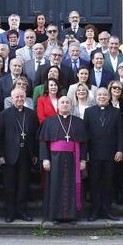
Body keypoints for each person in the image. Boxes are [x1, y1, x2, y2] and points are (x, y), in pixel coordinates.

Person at [39, 96, 88, 224]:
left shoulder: (78, 122)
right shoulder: (49, 122)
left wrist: (83, 159)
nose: (65, 104)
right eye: (62, 102)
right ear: (58, 106)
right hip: (55, 160)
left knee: (72, 186)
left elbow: (83, 143)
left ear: (71, 105)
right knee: (55, 186)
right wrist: (45, 159)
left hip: (73, 159)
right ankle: (56, 216)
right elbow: (43, 142)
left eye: (67, 102)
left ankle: (72, 216)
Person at [0, 88, 39, 223]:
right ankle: (10, 213)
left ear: (25, 98)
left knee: (23, 185)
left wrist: (35, 153)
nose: (19, 99)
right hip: (9, 155)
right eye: (17, 97)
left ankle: (22, 211)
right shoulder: (4, 114)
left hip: (25, 155)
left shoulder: (31, 114)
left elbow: (35, 136)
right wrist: (0, 155)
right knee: (9, 186)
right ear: (12, 98)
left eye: (22, 97)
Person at [83, 88, 123, 221]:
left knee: (108, 182)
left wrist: (120, 150)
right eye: (99, 94)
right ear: (95, 97)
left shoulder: (116, 112)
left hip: (110, 154)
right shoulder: (88, 112)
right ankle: (95, 210)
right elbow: (85, 134)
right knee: (94, 183)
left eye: (105, 95)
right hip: (94, 154)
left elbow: (120, 133)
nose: (102, 97)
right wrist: (85, 153)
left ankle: (107, 209)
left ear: (109, 97)